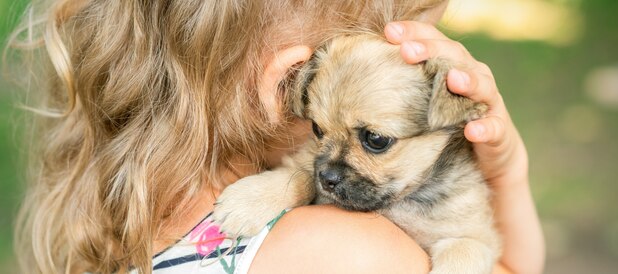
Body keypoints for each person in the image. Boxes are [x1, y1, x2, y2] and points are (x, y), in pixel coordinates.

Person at [7, 0, 544, 273]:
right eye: (320, 130)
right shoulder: (348, 251)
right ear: (289, 82)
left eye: (373, 141)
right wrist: (509, 173)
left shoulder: (142, 210)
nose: (329, 168)